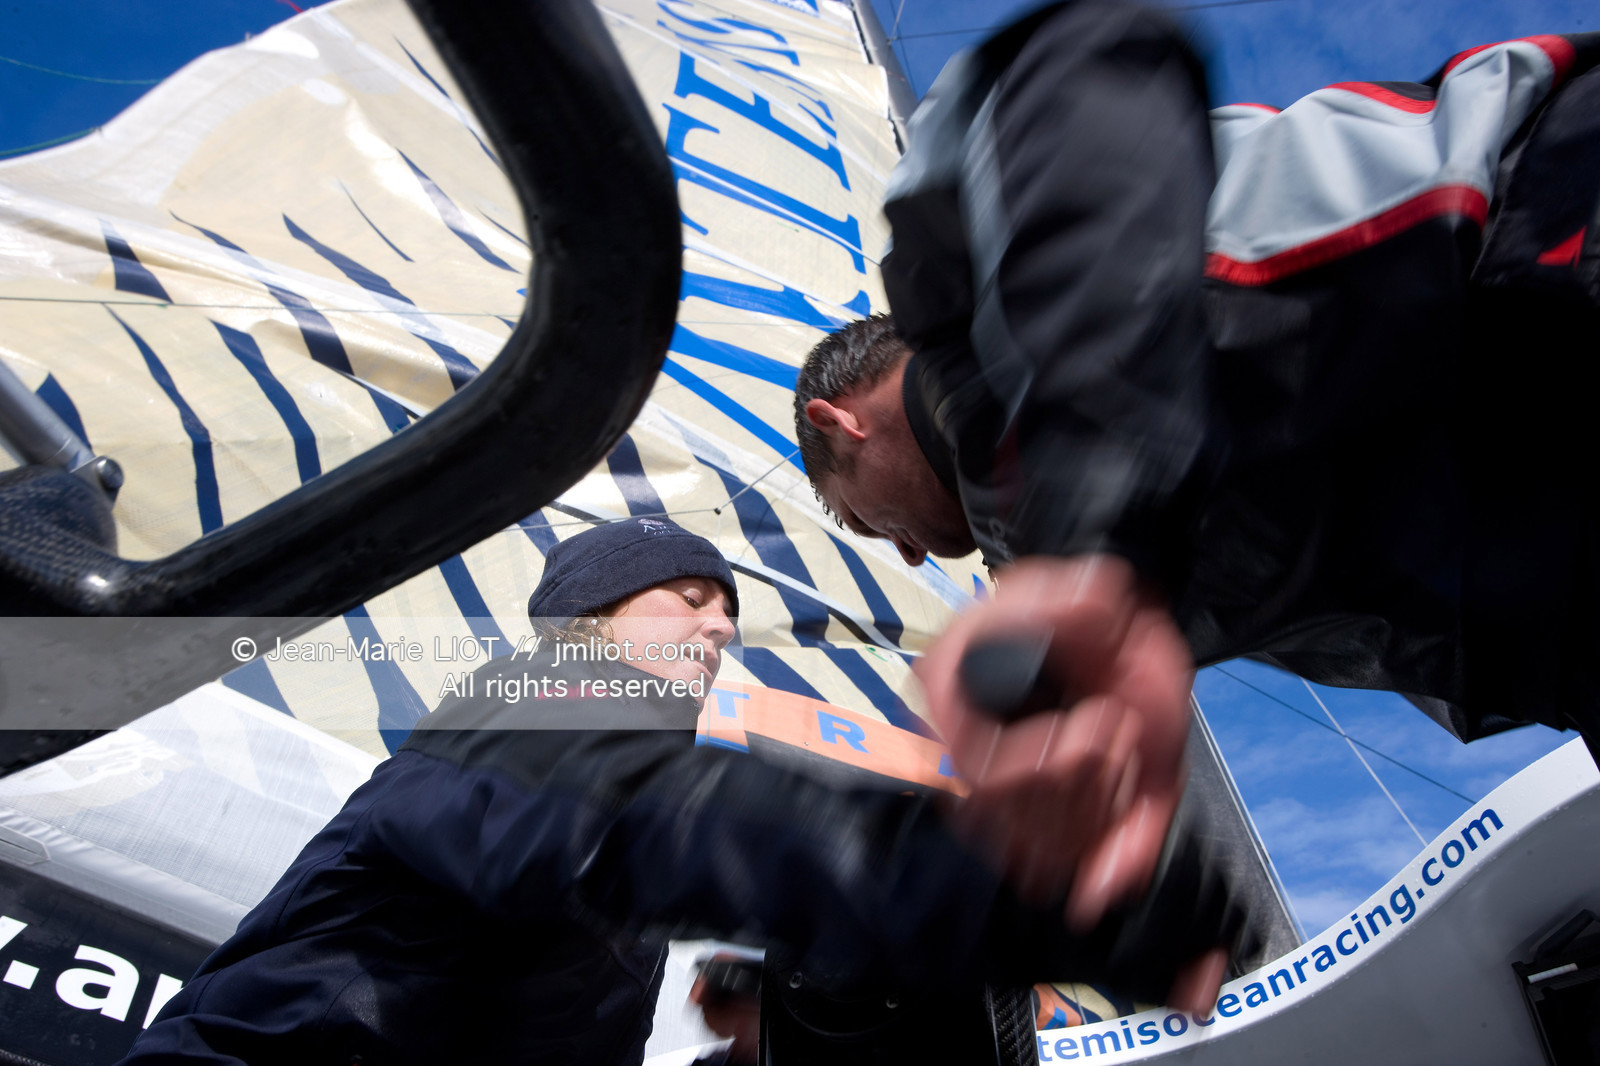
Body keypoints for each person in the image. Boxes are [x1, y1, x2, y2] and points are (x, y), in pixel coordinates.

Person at [795, 1, 1600, 938]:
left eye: (859, 522)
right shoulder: (1060, 571)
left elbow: (1057, 70)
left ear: (840, 422)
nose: (898, 557)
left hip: (1544, 244)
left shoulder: (966, 277)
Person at [121, 517, 1242, 1066]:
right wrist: (998, 887)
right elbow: (642, 821)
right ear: (585, 620)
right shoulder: (529, 698)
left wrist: (789, 1022)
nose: (716, 626)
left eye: (726, 610)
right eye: (685, 597)